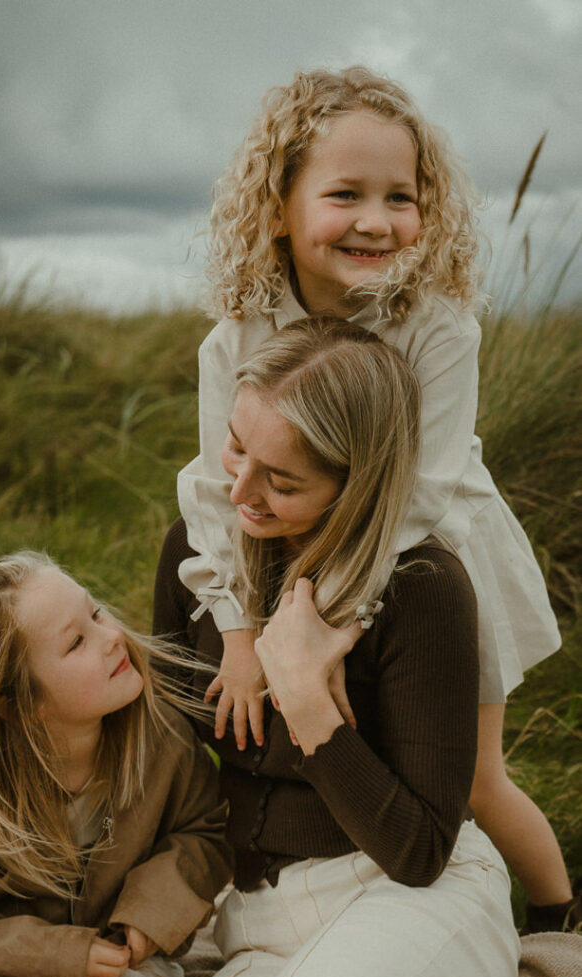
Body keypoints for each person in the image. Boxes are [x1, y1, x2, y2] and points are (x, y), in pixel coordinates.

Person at [176, 64, 578, 930]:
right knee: (364, 758)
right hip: (281, 562)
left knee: (472, 775)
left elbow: (420, 494)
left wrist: (324, 628)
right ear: (277, 206)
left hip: (426, 560)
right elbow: (217, 487)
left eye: (401, 196)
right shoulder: (239, 333)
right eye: (344, 193)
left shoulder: (435, 325)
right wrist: (246, 640)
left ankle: (554, 918)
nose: (375, 220)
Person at [153, 318, 520, 977]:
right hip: (249, 923)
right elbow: (165, 755)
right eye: (235, 449)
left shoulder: (422, 587)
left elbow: (418, 851)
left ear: (356, 482)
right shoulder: (195, 556)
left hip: (404, 896)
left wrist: (301, 695)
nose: (240, 493)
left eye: (281, 481)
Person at [0, 552, 232, 977]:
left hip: (116, 961)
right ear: (18, 706)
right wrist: (48, 956)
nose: (114, 636)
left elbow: (204, 831)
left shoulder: (162, 738)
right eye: (77, 642)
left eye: (95, 613)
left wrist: (149, 917)